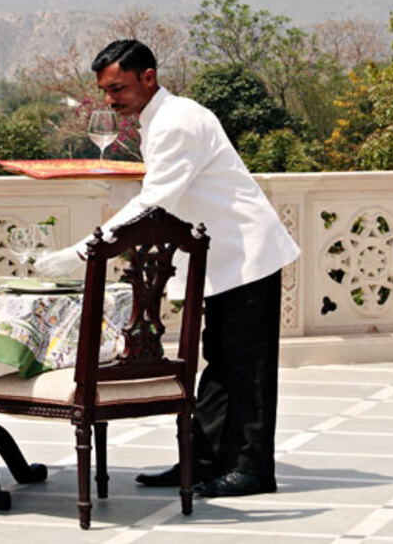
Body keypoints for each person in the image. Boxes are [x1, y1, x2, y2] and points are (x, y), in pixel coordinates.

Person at [35, 39, 299, 497]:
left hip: (248, 255)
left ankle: (254, 470)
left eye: (117, 87)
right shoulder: (161, 119)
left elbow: (153, 204)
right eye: (105, 90)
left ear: (148, 77)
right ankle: (201, 462)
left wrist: (84, 252)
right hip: (222, 260)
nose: (110, 99)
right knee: (219, 365)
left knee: (247, 369)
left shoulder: (178, 122)